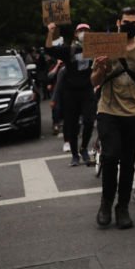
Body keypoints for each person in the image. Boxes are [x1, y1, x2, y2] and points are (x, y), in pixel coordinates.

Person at [90, 7, 135, 230]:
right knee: (110, 157)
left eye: (134, 22)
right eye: (126, 21)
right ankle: (105, 204)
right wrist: (100, 68)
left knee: (128, 162)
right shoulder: (105, 45)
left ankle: (123, 207)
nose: (130, 25)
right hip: (108, 110)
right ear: (118, 22)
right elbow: (94, 81)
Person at [45, 22, 95, 166]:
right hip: (71, 93)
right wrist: (50, 32)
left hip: (87, 91)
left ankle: (84, 148)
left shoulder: (96, 49)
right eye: (81, 30)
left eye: (86, 30)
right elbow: (49, 49)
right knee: (71, 125)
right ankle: (74, 154)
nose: (84, 33)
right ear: (75, 34)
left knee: (89, 121)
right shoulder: (69, 50)